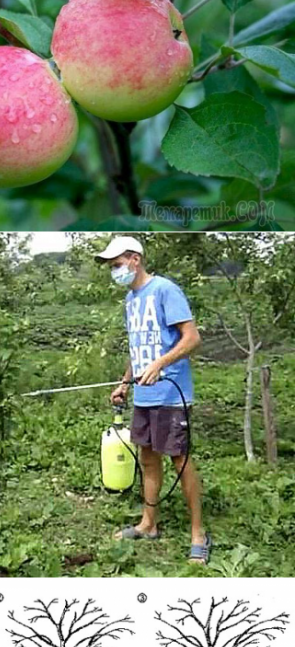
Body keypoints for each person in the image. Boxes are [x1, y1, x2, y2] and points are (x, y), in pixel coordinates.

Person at [95, 235, 211, 564]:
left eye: (116, 265)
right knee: (147, 458)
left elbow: (192, 339)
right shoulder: (131, 300)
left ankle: (198, 534)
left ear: (135, 259)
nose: (114, 272)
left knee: (180, 460)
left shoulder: (164, 290)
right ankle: (149, 524)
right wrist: (124, 383)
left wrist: (161, 363)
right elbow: (139, 349)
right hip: (144, 395)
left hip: (171, 392)